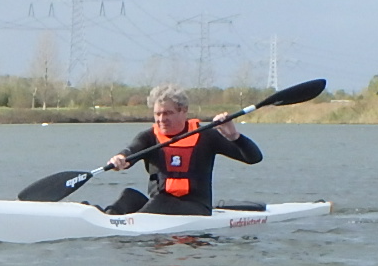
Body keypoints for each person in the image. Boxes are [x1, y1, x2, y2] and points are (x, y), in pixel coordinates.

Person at [102, 84, 262, 216]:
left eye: (167, 113)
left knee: (161, 202)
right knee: (128, 196)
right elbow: (131, 151)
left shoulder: (206, 136)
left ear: (183, 111)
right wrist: (120, 159)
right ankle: (107, 216)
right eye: (157, 114)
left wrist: (234, 136)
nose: (161, 119)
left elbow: (254, 158)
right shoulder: (149, 137)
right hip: (158, 205)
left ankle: (133, 222)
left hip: (195, 207)